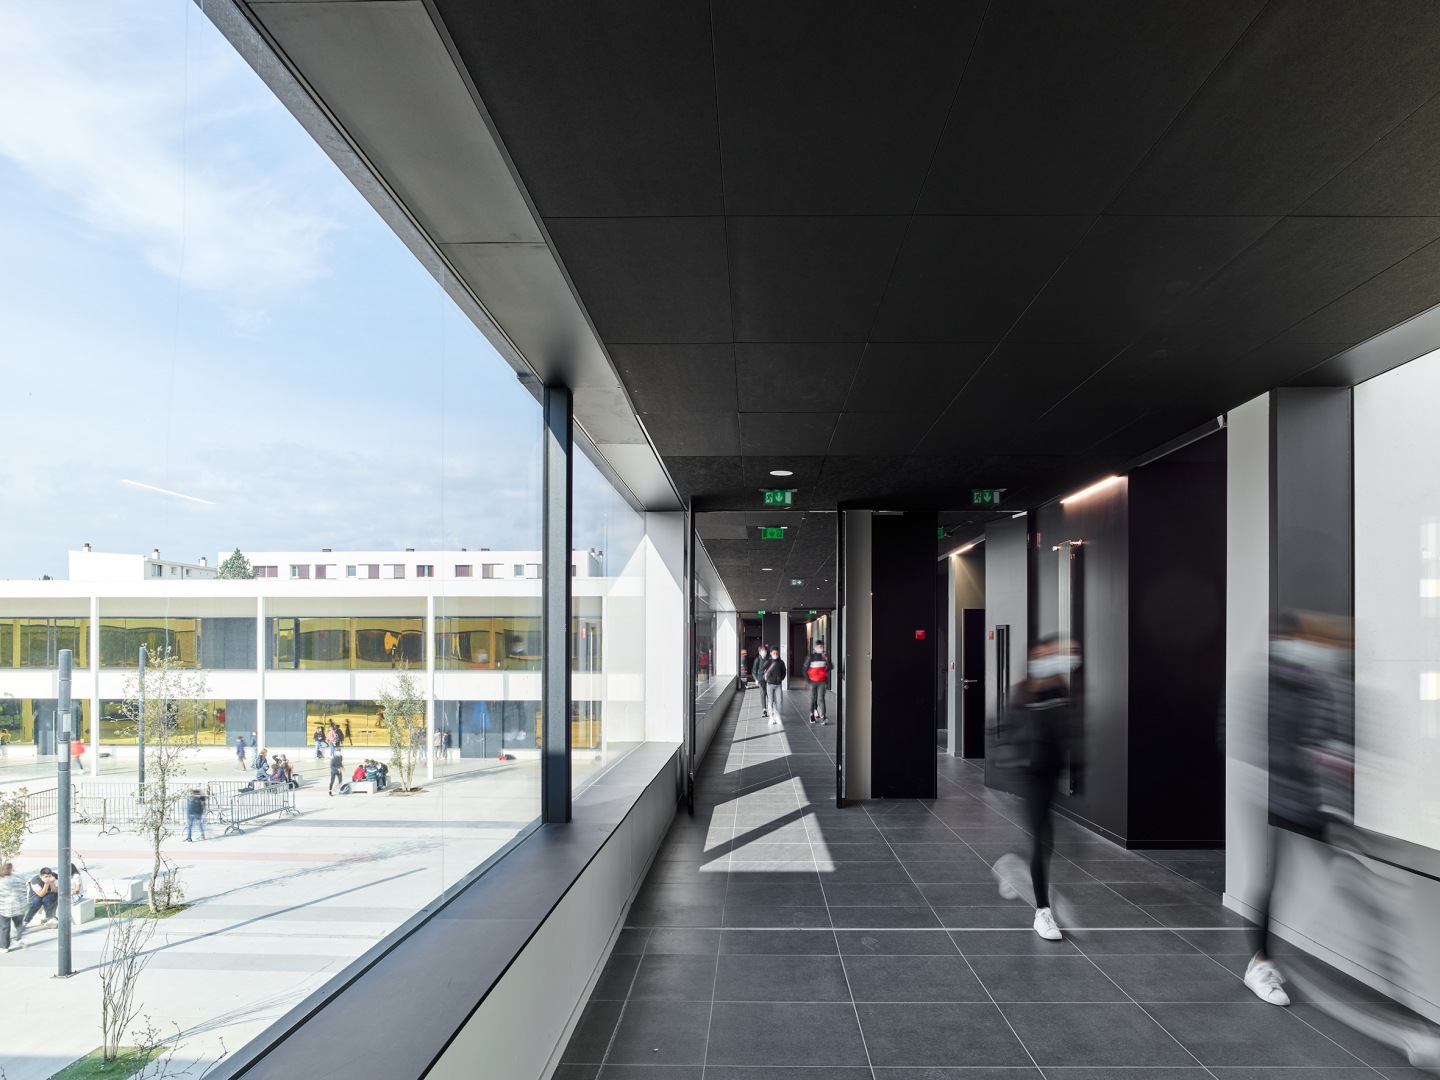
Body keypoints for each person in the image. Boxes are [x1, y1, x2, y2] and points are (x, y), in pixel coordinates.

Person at [992, 635, 1083, 941]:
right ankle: (1042, 912)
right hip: (1030, 778)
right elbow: (1004, 734)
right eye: (1043, 656)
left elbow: (1070, 731)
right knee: (1042, 840)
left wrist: (1076, 763)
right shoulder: (1022, 695)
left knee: (1049, 844)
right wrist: (1021, 759)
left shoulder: (1061, 692)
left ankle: (1014, 867)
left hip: (1053, 775)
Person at [0, 863, 27, 950]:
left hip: (4, 907)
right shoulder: (19, 878)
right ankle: (19, 939)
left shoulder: (1, 880)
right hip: (19, 906)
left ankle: (4, 946)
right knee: (19, 925)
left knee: (4, 927)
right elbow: (24, 890)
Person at [805, 640, 832, 724]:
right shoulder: (811, 657)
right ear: (815, 647)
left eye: (821, 647)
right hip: (812, 681)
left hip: (822, 681)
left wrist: (827, 659)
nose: (820, 648)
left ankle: (823, 717)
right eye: (819, 647)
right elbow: (804, 669)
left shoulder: (824, 657)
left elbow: (831, 667)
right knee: (812, 698)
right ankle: (811, 715)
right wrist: (808, 681)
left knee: (821, 698)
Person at [762, 647, 786, 726]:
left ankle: (778, 715)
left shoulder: (781, 662)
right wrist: (767, 678)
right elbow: (762, 669)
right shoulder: (768, 662)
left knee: (779, 701)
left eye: (776, 653)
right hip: (770, 684)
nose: (775, 654)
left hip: (778, 684)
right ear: (771, 653)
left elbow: (784, 671)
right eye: (774, 653)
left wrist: (781, 678)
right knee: (770, 701)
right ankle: (771, 717)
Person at [752, 645, 771, 714]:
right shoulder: (757, 659)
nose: (764, 652)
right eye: (762, 651)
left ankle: (770, 707)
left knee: (769, 692)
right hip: (760, 679)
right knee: (763, 693)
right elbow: (754, 670)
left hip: (768, 678)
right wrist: (756, 679)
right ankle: (764, 709)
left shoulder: (769, 658)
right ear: (759, 652)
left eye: (764, 650)